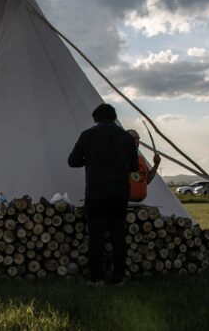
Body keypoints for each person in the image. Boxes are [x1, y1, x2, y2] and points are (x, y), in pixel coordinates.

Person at [68, 103, 138, 286]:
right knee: (118, 236)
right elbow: (135, 167)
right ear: (114, 117)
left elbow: (72, 161)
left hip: (96, 192)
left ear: (96, 118)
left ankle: (97, 277)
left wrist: (90, 159)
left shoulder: (87, 135)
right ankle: (118, 277)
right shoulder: (126, 138)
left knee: (96, 237)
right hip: (119, 193)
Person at [126, 129, 161, 202]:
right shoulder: (119, 158)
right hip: (125, 203)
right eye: (133, 138)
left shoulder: (141, 159)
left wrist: (156, 165)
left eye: (138, 139)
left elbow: (147, 180)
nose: (136, 141)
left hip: (141, 204)